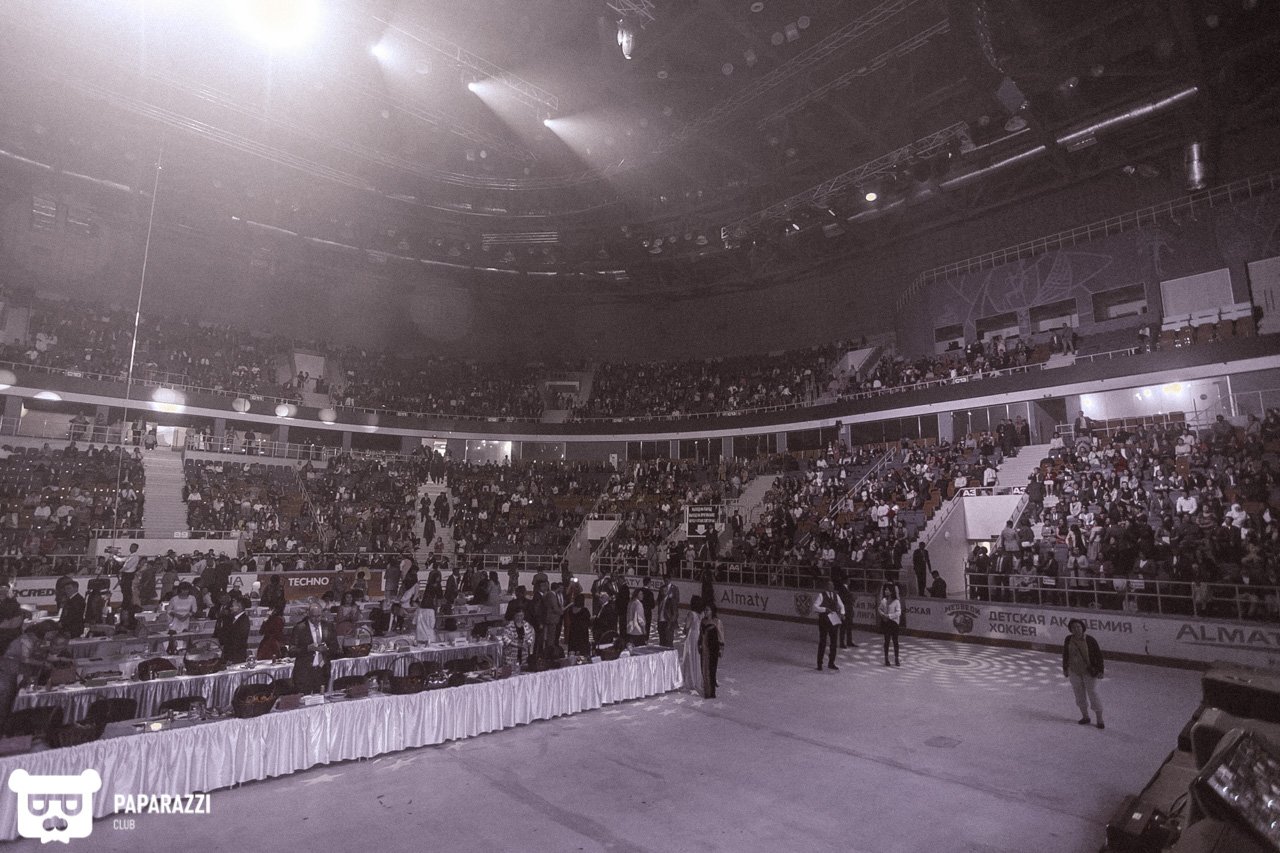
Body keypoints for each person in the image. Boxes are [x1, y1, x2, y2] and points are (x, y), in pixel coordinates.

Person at [1062, 618, 1105, 729]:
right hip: (1074, 671)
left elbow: (1098, 655)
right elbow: (1065, 654)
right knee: (1079, 694)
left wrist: (1101, 670)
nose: (1076, 629)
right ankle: (1085, 716)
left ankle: (1099, 719)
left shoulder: (1090, 640)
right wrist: (1065, 668)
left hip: (1088, 672)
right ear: (1070, 629)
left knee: (1093, 693)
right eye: (1073, 627)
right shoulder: (1068, 639)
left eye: (1078, 627)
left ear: (1083, 628)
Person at [290, 604, 339, 694]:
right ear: (308, 614)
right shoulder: (299, 628)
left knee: (321, 698)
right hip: (304, 672)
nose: (316, 619)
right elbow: (292, 650)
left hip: (322, 671)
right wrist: (307, 648)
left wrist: (327, 649)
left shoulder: (328, 626)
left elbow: (335, 647)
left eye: (319, 616)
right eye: (313, 616)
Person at [813, 579, 844, 671]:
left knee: (834, 642)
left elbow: (842, 605)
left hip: (834, 618)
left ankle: (831, 662)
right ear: (826, 586)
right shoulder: (821, 595)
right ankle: (819, 663)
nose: (832, 587)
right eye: (830, 585)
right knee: (822, 641)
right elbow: (815, 607)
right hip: (824, 620)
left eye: (833, 585)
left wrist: (842, 613)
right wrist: (824, 609)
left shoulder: (836, 595)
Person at [699, 603, 724, 699]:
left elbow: (721, 635)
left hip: (713, 648)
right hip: (704, 648)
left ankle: (712, 692)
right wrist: (699, 644)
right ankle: (706, 691)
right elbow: (700, 635)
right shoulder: (703, 621)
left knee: (712, 669)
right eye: (705, 610)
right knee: (704, 668)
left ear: (712, 611)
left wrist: (721, 648)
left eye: (708, 610)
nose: (706, 612)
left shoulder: (717, 622)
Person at [680, 596, 705, 695]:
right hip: (698, 636)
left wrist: (684, 630)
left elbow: (686, 628)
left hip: (691, 637)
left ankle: (690, 680)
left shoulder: (691, 614)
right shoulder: (701, 614)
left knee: (689, 657)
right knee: (696, 658)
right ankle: (696, 679)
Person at [216, 596, 251, 664]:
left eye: (232, 606)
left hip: (236, 656)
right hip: (229, 654)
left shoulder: (244, 620)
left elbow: (238, 640)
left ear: (239, 606)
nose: (230, 608)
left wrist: (231, 658)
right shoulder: (232, 618)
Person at [878, 583, 901, 667]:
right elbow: (879, 609)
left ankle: (896, 658)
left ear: (891, 591)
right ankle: (886, 658)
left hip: (894, 623)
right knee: (887, 641)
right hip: (886, 623)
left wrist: (889, 616)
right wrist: (883, 615)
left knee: (895, 641)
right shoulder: (884, 600)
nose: (885, 591)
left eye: (887, 590)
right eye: (885, 589)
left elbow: (898, 612)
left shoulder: (896, 601)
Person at [562, 593, 592, 658]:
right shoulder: (584, 610)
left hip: (573, 629)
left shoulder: (571, 610)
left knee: (573, 645)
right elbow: (588, 621)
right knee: (581, 647)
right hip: (582, 631)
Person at [656, 576, 680, 647]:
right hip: (661, 620)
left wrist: (671, 622)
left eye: (664, 591)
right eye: (662, 591)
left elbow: (675, 612)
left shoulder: (672, 599)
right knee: (662, 640)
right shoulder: (661, 600)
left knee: (668, 641)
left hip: (668, 621)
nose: (663, 592)